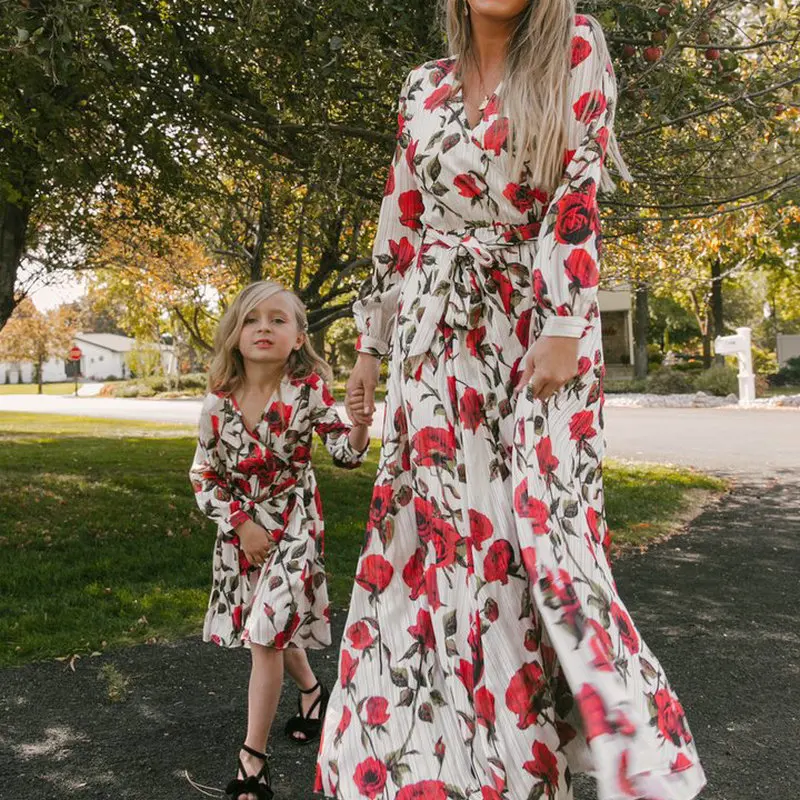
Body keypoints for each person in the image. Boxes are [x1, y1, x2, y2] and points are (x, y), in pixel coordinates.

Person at [316, 2, 706, 799]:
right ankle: (432, 767)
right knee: (428, 548)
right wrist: (369, 345)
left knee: (533, 547)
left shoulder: (575, 46)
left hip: (532, 333)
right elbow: (402, 217)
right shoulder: (419, 88)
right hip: (432, 345)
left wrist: (565, 320)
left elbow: (579, 186)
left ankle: (554, 765)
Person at [189, 280, 371, 800]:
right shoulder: (218, 404)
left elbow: (346, 452)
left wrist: (358, 425)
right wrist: (241, 525)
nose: (263, 327)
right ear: (235, 334)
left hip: (294, 526)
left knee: (265, 634)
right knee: (268, 624)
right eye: (251, 319)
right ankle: (312, 693)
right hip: (241, 532)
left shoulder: (309, 389)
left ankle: (253, 762)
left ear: (297, 337)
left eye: (277, 319)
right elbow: (204, 475)